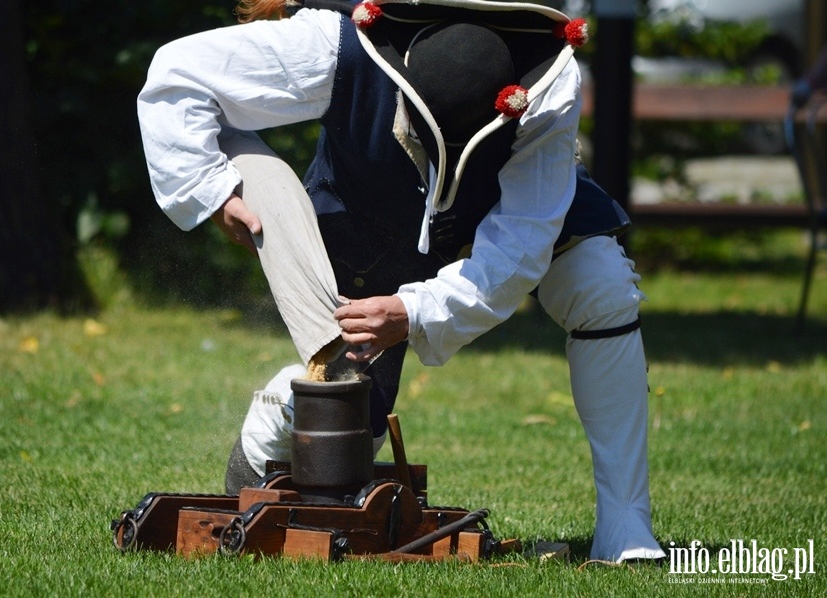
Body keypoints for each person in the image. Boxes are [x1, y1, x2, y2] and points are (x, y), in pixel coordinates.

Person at [137, 0, 665, 563]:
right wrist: (212, 190)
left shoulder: (550, 81)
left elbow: (521, 244)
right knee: (346, 418)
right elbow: (178, 74)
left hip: (509, 211)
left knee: (601, 284)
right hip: (371, 221)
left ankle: (626, 525)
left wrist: (415, 312)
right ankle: (275, 417)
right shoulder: (334, 44)